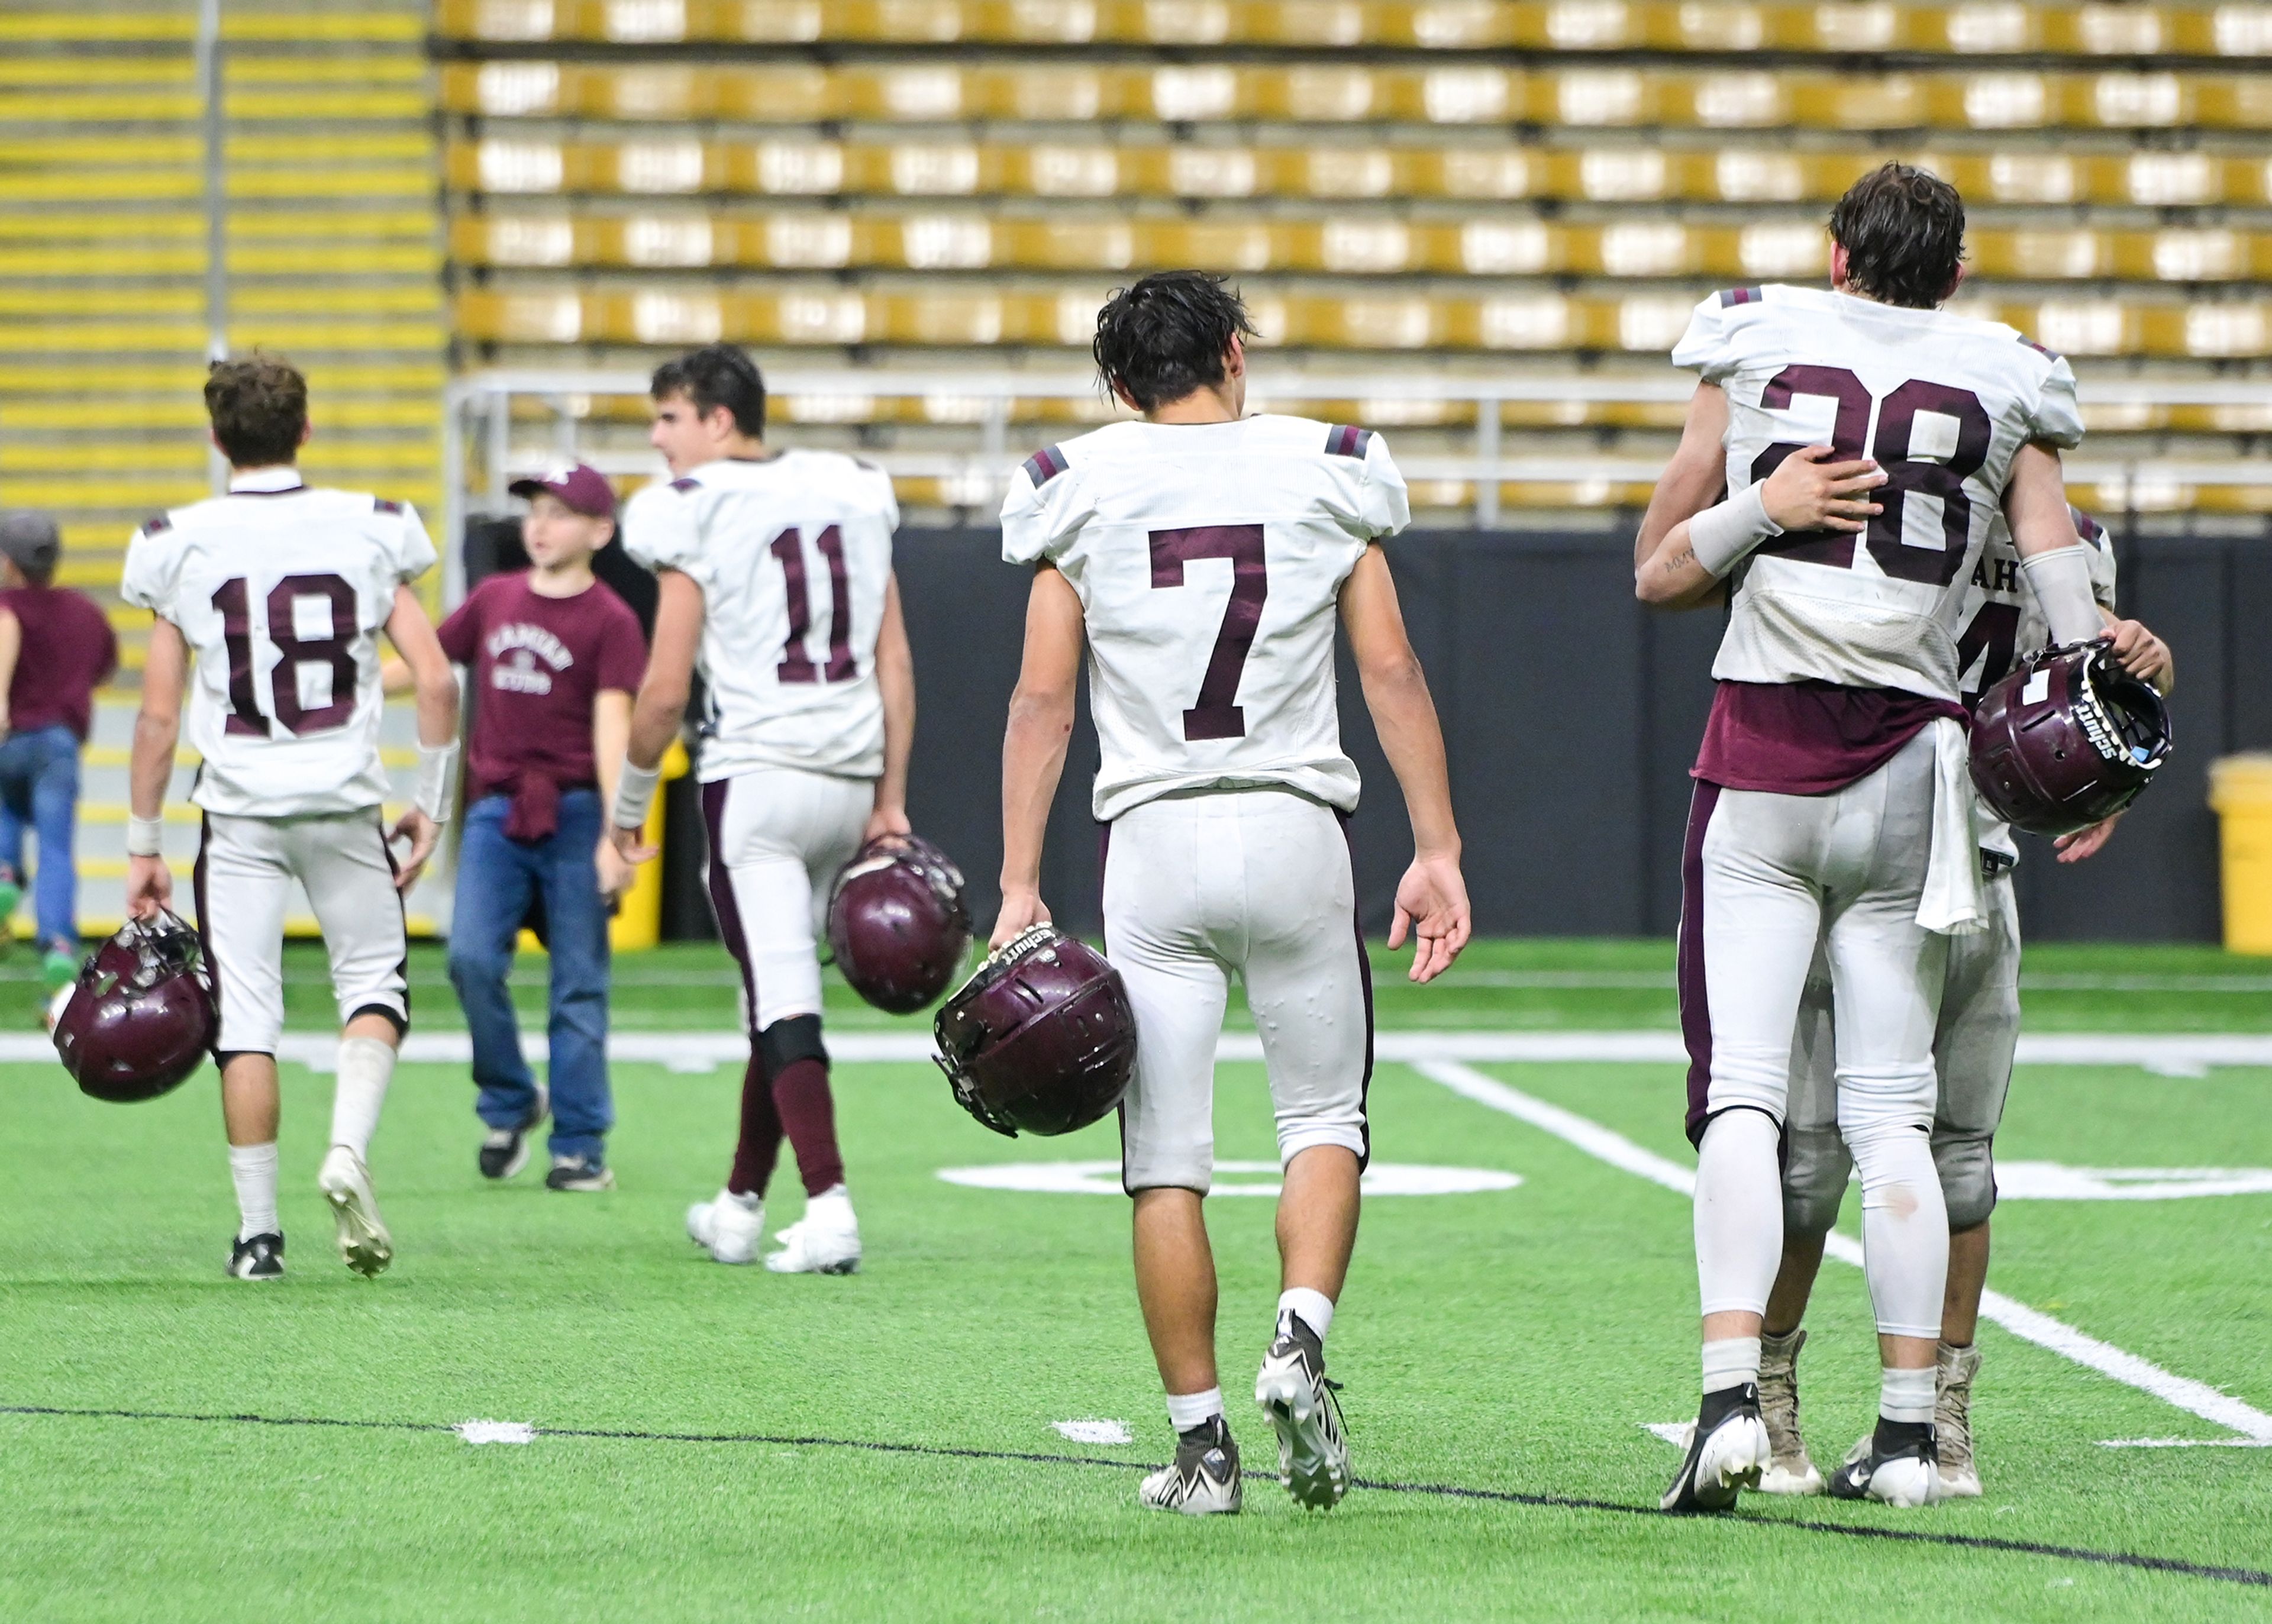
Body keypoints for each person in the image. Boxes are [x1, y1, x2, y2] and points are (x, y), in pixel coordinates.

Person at [1632, 164, 2134, 1509]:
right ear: (1955, 272)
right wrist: (2098, 740)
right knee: (1893, 1116)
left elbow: (1660, 568)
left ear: (1833, 257)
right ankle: (1913, 1434)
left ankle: (1734, 1398)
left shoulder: (1752, 334)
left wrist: (1764, 509)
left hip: (1767, 752)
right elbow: (2065, 605)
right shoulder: (2007, 374)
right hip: (1921, 779)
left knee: (1745, 1093)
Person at [992, 271, 1471, 1516]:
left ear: (1117, 387)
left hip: (1153, 837)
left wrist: (1017, 881)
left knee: (1164, 1158)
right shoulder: (1330, 463)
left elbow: (1042, 700)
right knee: (1322, 1118)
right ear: (1235, 353)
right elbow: (1391, 667)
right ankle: (1300, 1335)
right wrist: (1438, 845)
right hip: (1296, 824)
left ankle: (1203, 1450)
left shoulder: (1075, 482)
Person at [1748, 508, 2172, 1499]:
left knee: (1889, 1161)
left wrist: (2144, 667)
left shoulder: (1888, 498)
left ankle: (1838, 1421)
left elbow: (2111, 675)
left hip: (1893, 851)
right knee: (1893, 1162)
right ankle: (1893, 1426)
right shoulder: (2044, 526)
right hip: (1948, 861)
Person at [120, 354, 460, 1281]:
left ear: (215, 436)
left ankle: (257, 1237)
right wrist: (429, 804)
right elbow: (435, 678)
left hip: (238, 812)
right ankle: (347, 1147)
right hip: (345, 803)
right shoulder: (372, 526)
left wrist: (143, 842)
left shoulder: (177, 539)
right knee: (373, 988)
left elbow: (156, 716)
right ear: (306, 429)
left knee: (248, 1019)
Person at [609, 343, 915, 1274]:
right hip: (848, 771)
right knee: (773, 996)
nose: (659, 438)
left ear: (717, 418)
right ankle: (740, 1204)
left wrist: (627, 809)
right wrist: (891, 797)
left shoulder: (689, 510)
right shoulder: (851, 487)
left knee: (781, 997)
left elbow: (663, 689)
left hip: (756, 775)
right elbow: (892, 660)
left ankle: (830, 1207)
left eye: (669, 417)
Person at [434, 461, 647, 1192]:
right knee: (469, 959)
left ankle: (580, 1143)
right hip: (496, 811)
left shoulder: (612, 620)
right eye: (534, 510)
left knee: (578, 984)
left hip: (576, 810)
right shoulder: (494, 598)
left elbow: (612, 729)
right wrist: (346, 666)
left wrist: (617, 835)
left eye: (560, 512)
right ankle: (513, 1099)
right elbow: (429, 663)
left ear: (600, 531)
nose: (541, 525)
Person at [0, 511, 118, 989]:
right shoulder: (84, 612)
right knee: (55, 848)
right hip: (60, 741)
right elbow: (104, 665)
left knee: (5, 813)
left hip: (10, 738)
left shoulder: (6, 607)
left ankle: (5, 877)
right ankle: (60, 943)